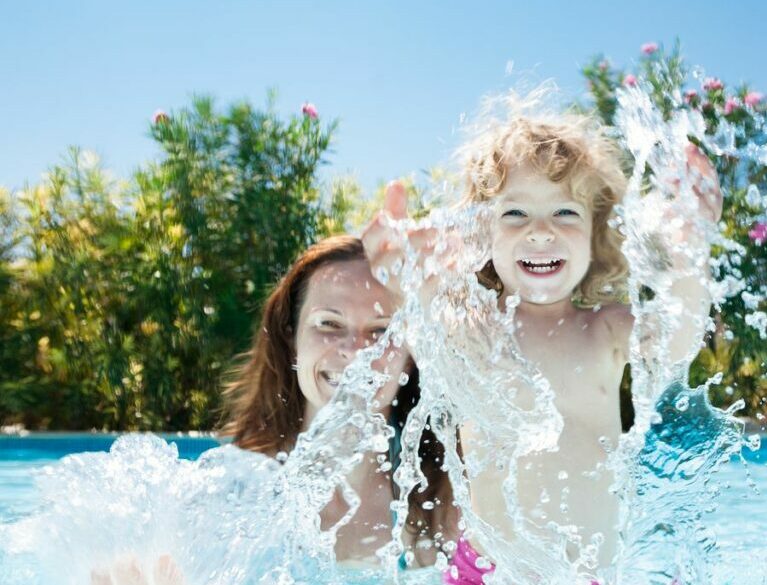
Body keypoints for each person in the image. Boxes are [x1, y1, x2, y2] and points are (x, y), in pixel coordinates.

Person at [363, 112, 722, 582]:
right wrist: (400, 268)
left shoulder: (606, 330)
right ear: (481, 234)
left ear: (597, 233)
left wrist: (689, 257)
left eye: (565, 212)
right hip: (485, 572)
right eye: (515, 213)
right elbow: (418, 312)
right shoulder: (477, 327)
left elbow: (678, 340)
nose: (540, 231)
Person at [90, 235, 457, 585]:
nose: (355, 350)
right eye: (329, 324)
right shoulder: (230, 493)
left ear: (411, 353)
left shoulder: (443, 493)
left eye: (380, 331)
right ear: (291, 338)